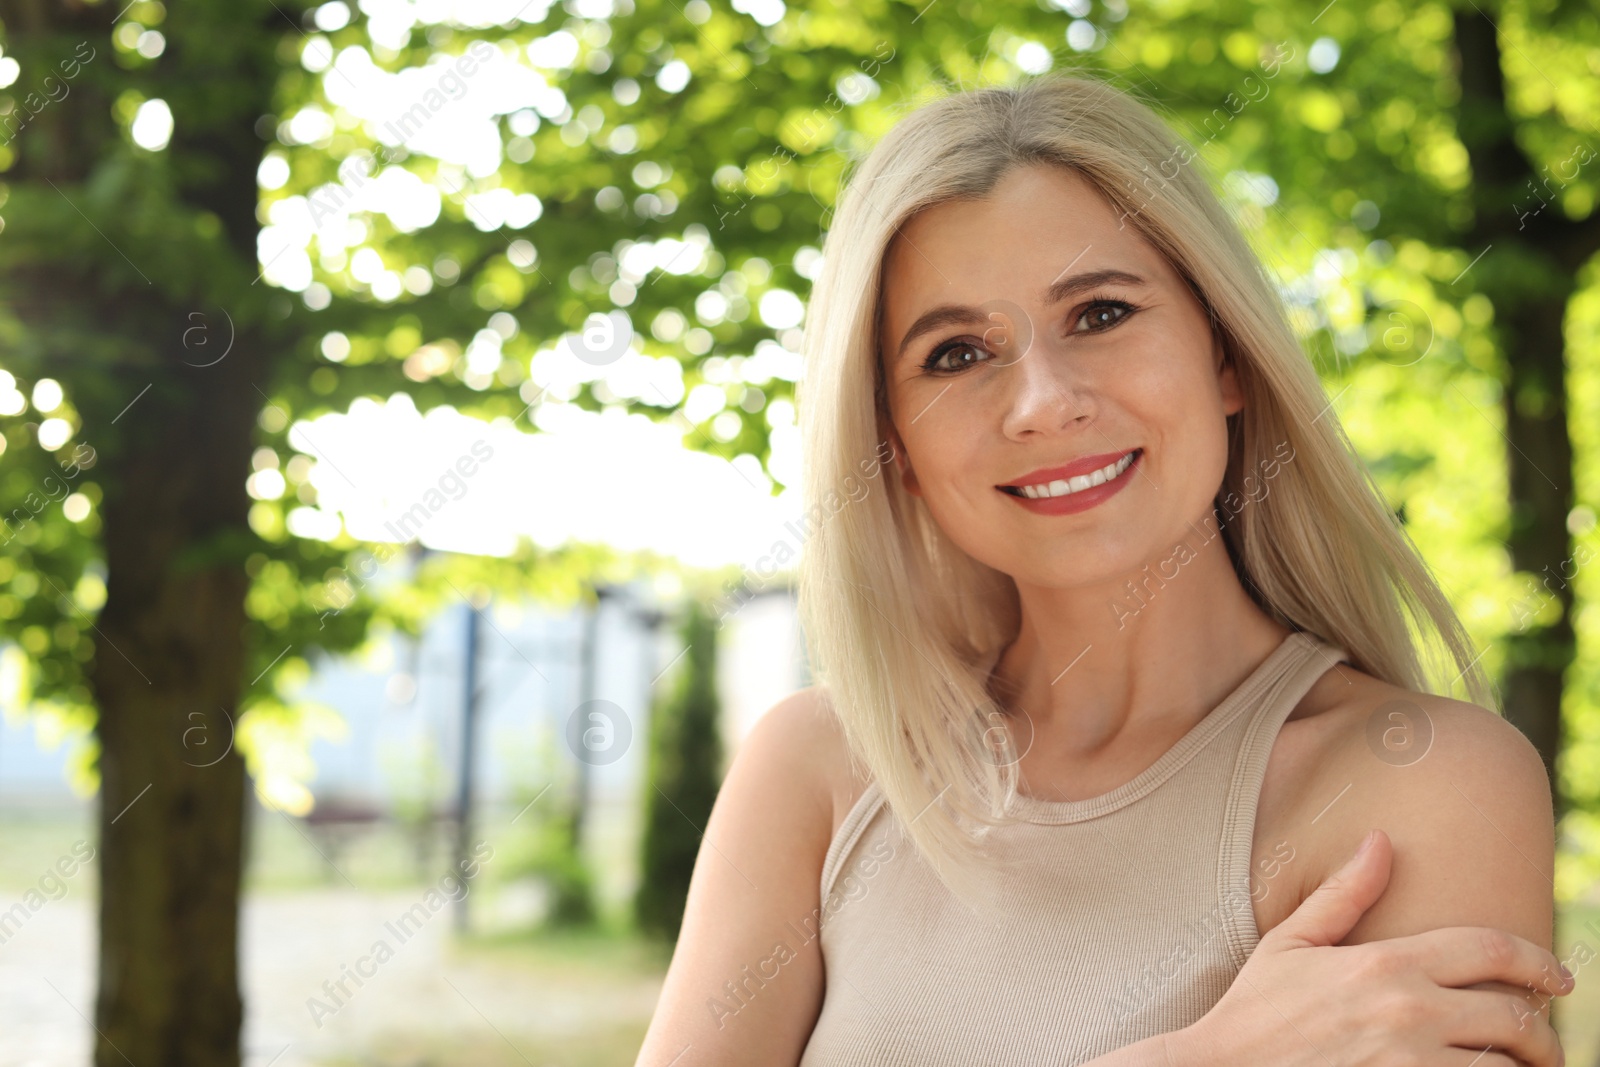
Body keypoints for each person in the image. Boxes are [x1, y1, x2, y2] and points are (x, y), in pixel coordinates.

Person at [635, 74, 1575, 1066]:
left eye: (1099, 313)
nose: (1041, 401)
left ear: (1224, 353)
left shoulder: (1416, 778)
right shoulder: (818, 769)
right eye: (956, 353)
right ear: (892, 447)